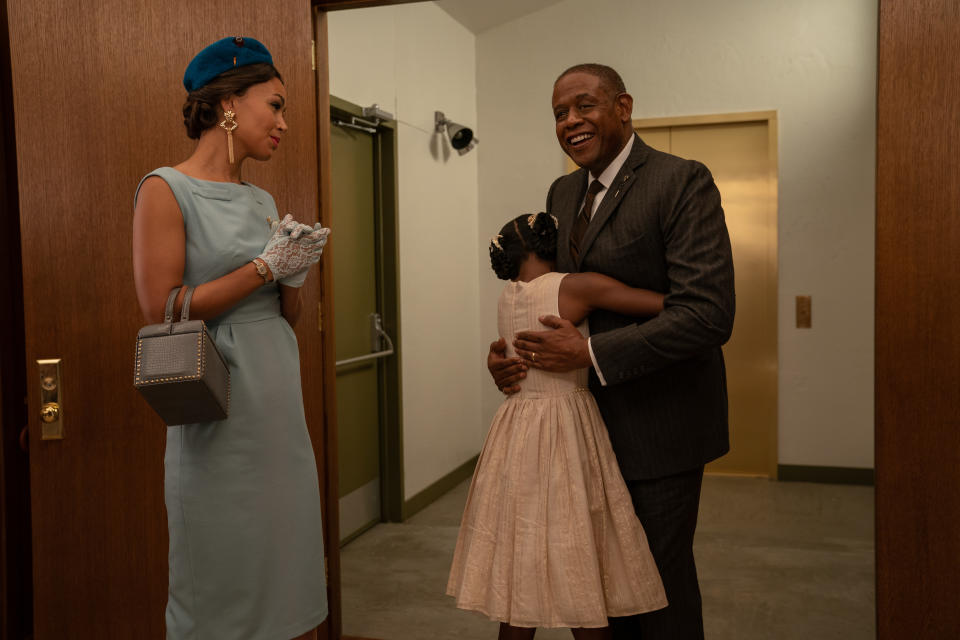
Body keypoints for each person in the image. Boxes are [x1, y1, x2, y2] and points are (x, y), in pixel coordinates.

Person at [488, 64, 735, 640]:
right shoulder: (562, 191)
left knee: (656, 595)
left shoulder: (680, 181)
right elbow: (556, 297)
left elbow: (707, 313)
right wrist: (511, 354)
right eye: (559, 113)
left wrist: (591, 353)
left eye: (584, 106)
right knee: (597, 591)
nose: (570, 121)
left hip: (660, 428)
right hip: (580, 433)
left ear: (623, 107)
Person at [132, 37, 329, 640]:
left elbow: (280, 315)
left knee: (282, 552)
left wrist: (295, 268)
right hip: (217, 409)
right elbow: (161, 309)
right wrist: (265, 266)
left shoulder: (261, 198)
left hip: (276, 400)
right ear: (229, 106)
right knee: (220, 568)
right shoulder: (166, 188)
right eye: (275, 105)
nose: (284, 123)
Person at [449, 212, 668, 640]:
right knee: (574, 542)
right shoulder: (574, 286)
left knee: (521, 549)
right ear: (547, 242)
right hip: (565, 424)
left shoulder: (507, 295)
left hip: (516, 425)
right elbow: (661, 304)